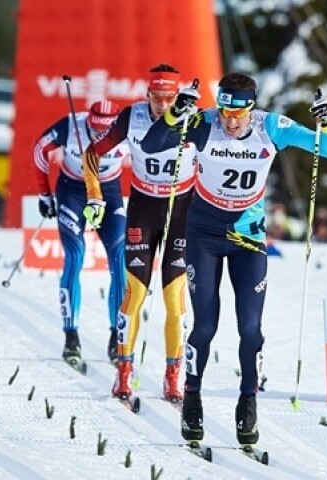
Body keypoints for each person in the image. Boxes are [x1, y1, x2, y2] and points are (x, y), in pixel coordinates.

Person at [141, 72, 327, 446]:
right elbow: (153, 146)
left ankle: (248, 400)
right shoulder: (204, 123)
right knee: (205, 326)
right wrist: (174, 116)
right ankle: (193, 396)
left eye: (239, 114)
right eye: (225, 113)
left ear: (252, 108)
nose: (231, 122)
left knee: (251, 328)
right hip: (204, 234)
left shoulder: (271, 127)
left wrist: (325, 122)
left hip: (248, 238)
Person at [82, 64, 198, 402]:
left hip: (181, 211)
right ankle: (123, 373)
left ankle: (173, 377)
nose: (163, 105)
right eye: (157, 98)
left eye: (170, 98)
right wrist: (94, 195)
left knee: (175, 301)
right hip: (144, 210)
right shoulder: (131, 117)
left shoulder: (196, 117)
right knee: (134, 293)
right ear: (147, 94)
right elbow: (93, 154)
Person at [33, 99, 128, 366]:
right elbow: (40, 149)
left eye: (104, 133)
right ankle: (71, 337)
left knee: (119, 259)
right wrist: (44, 193)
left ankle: (116, 336)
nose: (99, 137)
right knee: (75, 255)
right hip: (73, 191)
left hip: (108, 192)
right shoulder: (72, 123)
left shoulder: (127, 127)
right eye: (94, 130)